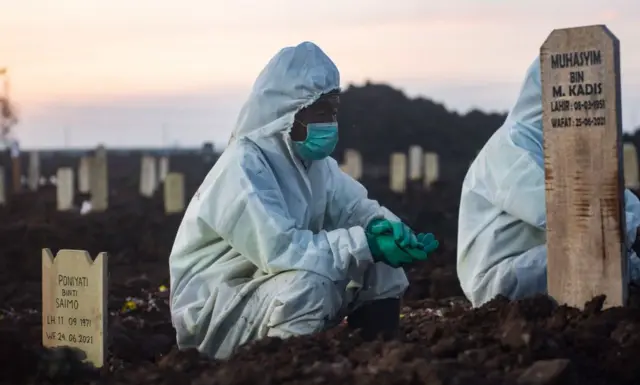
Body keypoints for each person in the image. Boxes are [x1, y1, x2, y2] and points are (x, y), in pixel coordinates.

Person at [169, 41, 439, 359]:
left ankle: (376, 362)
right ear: (289, 111)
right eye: (320, 111)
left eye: (334, 112)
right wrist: (365, 243)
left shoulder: (312, 165)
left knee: (381, 268)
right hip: (218, 305)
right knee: (310, 287)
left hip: (265, 288)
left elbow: (355, 207)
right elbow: (282, 250)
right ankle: (283, 376)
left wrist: (387, 228)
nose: (330, 122)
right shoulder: (244, 166)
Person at [457, 57, 640, 308]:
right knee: (602, 253)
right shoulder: (511, 147)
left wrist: (635, 222)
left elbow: (612, 196)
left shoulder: (565, 148)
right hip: (499, 281)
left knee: (610, 253)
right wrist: (632, 231)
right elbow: (559, 211)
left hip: (539, 261)